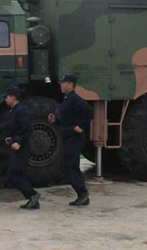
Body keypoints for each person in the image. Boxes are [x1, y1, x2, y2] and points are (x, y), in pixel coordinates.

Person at [48, 74, 92, 206]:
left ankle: (82, 192)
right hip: (69, 137)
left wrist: (81, 126)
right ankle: (83, 196)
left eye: (64, 82)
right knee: (74, 166)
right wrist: (55, 120)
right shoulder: (67, 98)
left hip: (75, 138)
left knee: (64, 165)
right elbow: (67, 118)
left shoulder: (74, 98)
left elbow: (89, 111)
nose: (61, 85)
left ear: (71, 85)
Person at [3, 85, 40, 210]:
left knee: (13, 174)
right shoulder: (14, 110)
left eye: (7, 97)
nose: (5, 99)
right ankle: (33, 200)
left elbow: (28, 130)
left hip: (22, 148)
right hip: (17, 147)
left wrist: (18, 142)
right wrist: (11, 138)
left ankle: (33, 194)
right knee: (18, 173)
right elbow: (17, 129)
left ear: (13, 97)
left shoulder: (20, 110)